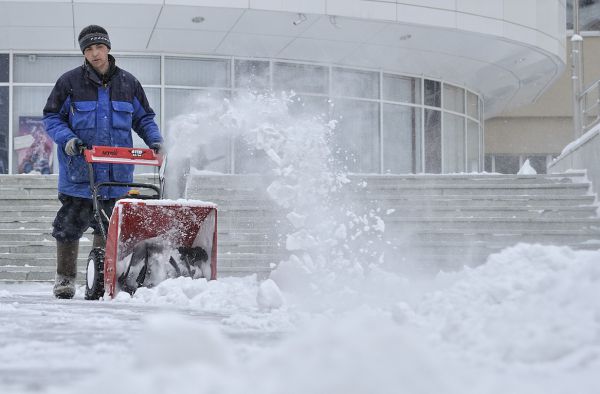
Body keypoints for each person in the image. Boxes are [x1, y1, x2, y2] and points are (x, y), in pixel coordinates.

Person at [43, 25, 163, 299]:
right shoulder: (69, 82)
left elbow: (143, 118)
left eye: (99, 47)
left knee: (108, 229)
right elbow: (52, 117)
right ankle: (65, 279)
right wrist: (69, 140)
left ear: (108, 48)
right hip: (79, 175)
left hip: (116, 176)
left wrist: (155, 141)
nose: (94, 53)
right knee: (68, 227)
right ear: (83, 53)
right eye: (88, 49)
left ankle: (100, 277)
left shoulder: (128, 83)